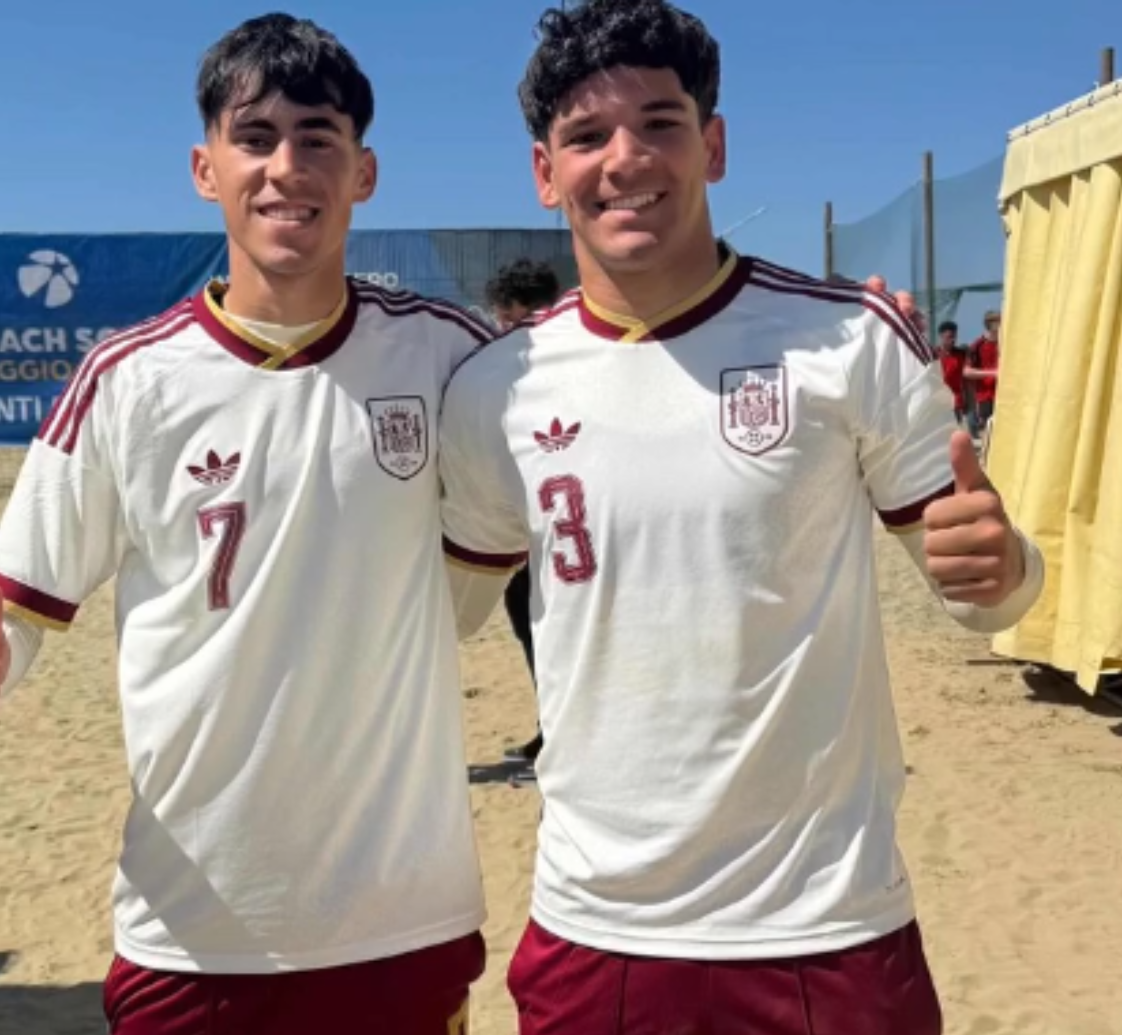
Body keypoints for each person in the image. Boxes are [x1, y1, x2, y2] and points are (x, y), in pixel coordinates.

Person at [439, 2, 1045, 1032]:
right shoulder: (498, 387)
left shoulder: (847, 339)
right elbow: (441, 614)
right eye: (587, 135)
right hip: (598, 929)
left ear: (712, 145)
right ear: (545, 172)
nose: (626, 158)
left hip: (825, 927)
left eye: (660, 123)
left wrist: (1005, 566)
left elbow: (989, 606)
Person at [0, 15, 490, 1035]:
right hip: (194, 926)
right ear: (204, 168)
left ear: (363, 173)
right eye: (254, 137)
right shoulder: (129, 379)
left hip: (400, 917)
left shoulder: (447, 357)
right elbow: (22, 596)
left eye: (318, 138)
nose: (286, 168)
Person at [483, 259, 564, 770]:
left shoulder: (508, 365)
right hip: (544, 526)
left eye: (505, 315)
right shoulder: (580, 352)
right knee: (542, 634)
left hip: (538, 529)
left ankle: (557, 732)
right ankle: (550, 729)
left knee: (545, 635)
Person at [965, 309, 1001, 438]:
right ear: (989, 324)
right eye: (998, 322)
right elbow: (967, 371)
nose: (1001, 325)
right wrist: (993, 373)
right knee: (988, 432)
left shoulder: (1005, 343)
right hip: (985, 397)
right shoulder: (977, 346)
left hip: (1004, 394)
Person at [935, 319, 968, 424]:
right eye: (949, 337)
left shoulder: (962, 355)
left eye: (954, 336)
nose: (953, 340)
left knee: (956, 430)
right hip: (938, 402)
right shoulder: (933, 355)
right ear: (941, 336)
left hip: (956, 402)